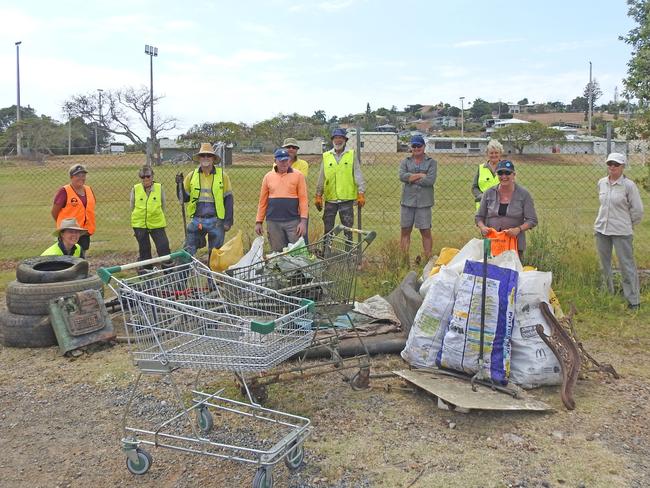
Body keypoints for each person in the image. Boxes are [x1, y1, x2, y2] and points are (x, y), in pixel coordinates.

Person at [594, 152, 644, 310]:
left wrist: (627, 225)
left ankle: (633, 300)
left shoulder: (629, 185)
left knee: (626, 265)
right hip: (602, 229)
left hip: (622, 231)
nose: (612, 167)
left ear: (623, 167)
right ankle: (608, 294)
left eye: (616, 164)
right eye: (610, 164)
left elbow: (638, 210)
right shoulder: (602, 183)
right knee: (604, 264)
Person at [476, 160, 538, 261]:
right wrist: (482, 227)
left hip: (514, 244)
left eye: (507, 173)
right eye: (500, 173)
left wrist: (518, 229)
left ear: (514, 175)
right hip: (492, 242)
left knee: (512, 274)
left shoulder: (524, 194)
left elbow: (532, 220)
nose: (504, 176)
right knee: (491, 274)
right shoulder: (488, 193)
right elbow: (479, 217)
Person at [180, 143, 234, 257]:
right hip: (196, 220)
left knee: (215, 255)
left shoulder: (223, 176)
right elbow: (184, 198)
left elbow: (228, 199)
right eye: (203, 155)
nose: (205, 158)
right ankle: (184, 274)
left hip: (216, 221)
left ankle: (211, 275)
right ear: (199, 158)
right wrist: (179, 186)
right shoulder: (191, 176)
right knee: (187, 251)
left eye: (208, 155)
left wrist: (228, 221)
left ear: (213, 158)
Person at [314, 128, 366, 239]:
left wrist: (361, 193)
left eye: (341, 138)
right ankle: (326, 253)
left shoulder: (351, 155)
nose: (338, 140)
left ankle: (349, 254)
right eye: (336, 138)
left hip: (346, 199)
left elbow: (358, 174)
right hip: (330, 199)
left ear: (345, 140)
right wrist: (318, 195)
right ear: (332, 140)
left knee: (348, 229)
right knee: (328, 229)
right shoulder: (326, 156)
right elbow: (321, 177)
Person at [255, 148, 308, 252]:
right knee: (277, 252)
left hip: (293, 221)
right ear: (275, 161)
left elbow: (303, 200)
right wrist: (259, 221)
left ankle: (298, 268)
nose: (284, 163)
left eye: (286, 160)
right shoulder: (268, 177)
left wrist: (303, 222)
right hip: (273, 222)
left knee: (297, 251)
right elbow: (263, 201)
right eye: (281, 161)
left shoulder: (298, 175)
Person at [398, 135, 437, 261]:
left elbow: (430, 180)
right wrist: (421, 175)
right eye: (414, 146)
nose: (416, 148)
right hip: (407, 202)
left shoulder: (432, 162)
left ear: (424, 147)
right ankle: (404, 260)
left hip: (424, 203)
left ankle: (427, 259)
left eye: (419, 146)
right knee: (405, 231)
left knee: (425, 232)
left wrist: (411, 179)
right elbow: (402, 176)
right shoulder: (405, 161)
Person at [130, 165, 171, 266]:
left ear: (152, 176)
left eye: (148, 176)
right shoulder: (135, 189)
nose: (146, 179)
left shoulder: (159, 188)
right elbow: (132, 206)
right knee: (144, 250)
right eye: (143, 177)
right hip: (139, 224)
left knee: (163, 248)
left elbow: (163, 205)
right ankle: (147, 274)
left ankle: (168, 272)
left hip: (157, 223)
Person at [51, 164, 96, 252]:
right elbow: (54, 212)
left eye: (83, 175)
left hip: (84, 232)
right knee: (67, 258)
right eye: (78, 175)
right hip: (69, 233)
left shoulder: (89, 189)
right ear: (71, 177)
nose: (81, 178)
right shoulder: (64, 191)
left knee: (81, 257)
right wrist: (64, 225)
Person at [471, 139, 503, 210]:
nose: (494, 155)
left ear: (500, 153)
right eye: (491, 153)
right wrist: (481, 196)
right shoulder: (481, 168)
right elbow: (474, 187)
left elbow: (512, 187)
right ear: (487, 154)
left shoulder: (505, 168)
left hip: (501, 207)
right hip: (483, 207)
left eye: (496, 153)